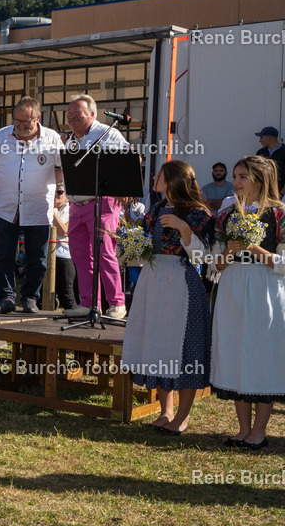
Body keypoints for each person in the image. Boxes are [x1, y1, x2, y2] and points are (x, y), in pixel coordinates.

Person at [121, 160, 212, 435]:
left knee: (184, 349)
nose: (154, 176)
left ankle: (182, 417)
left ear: (172, 180)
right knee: (158, 343)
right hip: (153, 281)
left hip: (181, 282)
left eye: (159, 173)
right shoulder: (157, 209)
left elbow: (204, 257)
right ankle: (166, 411)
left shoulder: (198, 214)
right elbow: (149, 248)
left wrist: (184, 229)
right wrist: (133, 247)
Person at [211, 155, 285, 450]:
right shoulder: (227, 211)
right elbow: (214, 265)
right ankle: (242, 428)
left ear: (260, 179)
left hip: (264, 289)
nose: (235, 181)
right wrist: (229, 252)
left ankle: (259, 431)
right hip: (232, 287)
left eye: (242, 176)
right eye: (235, 176)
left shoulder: (279, 213)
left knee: (260, 354)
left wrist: (256, 249)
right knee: (234, 351)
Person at [0, 96, 64, 313]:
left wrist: (59, 188)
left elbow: (63, 168)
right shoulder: (0, 136)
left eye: (26, 121)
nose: (21, 125)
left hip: (39, 207)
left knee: (38, 257)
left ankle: (29, 298)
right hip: (7, 206)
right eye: (17, 120)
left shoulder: (52, 138)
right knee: (5, 255)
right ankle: (6, 296)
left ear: (38, 118)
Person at [61, 94, 132, 319]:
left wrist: (122, 188)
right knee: (80, 256)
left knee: (105, 252)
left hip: (102, 202)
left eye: (77, 113)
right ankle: (89, 303)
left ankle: (117, 303)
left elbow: (130, 159)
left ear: (92, 114)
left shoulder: (107, 133)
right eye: (69, 114)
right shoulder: (70, 139)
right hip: (76, 205)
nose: (71, 118)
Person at [51, 187, 78, 310]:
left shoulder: (72, 210)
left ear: (67, 197)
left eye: (60, 192)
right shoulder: (47, 209)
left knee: (67, 295)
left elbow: (64, 231)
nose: (56, 194)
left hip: (64, 256)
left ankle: (77, 318)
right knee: (44, 294)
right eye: (54, 191)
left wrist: (52, 213)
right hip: (48, 255)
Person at [255, 126, 285, 193]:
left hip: (281, 194)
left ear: (270, 137)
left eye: (261, 137)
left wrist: (282, 193)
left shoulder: (284, 151)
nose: (260, 140)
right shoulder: (260, 153)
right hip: (264, 193)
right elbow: (257, 173)